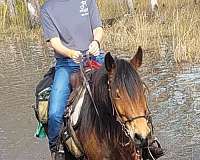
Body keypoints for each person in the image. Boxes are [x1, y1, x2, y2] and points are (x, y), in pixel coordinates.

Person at [40, 0, 104, 159]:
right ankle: (57, 147)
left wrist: (96, 42)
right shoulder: (47, 9)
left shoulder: (87, 1)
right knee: (55, 112)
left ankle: (147, 140)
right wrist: (70, 53)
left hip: (93, 58)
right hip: (66, 64)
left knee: (126, 83)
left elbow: (98, 29)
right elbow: (54, 42)